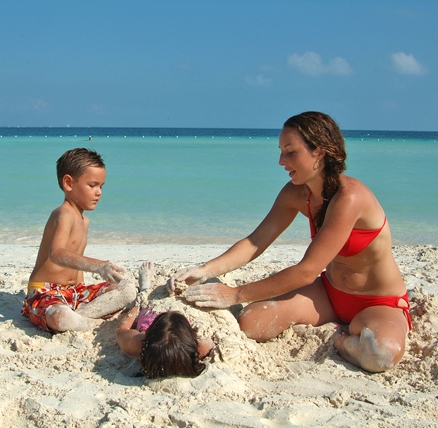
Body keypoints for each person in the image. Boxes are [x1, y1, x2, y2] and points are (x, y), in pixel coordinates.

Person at [169, 111, 411, 373]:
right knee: (251, 322)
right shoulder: (295, 193)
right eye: (281, 151)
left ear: (319, 152)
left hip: (376, 302)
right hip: (329, 295)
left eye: (290, 152)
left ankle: (340, 340)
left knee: (380, 355)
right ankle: (347, 335)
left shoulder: (350, 198)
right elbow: (255, 242)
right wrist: (206, 270)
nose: (281, 161)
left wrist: (235, 294)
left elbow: (306, 271)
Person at [22, 148, 137, 332]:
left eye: (101, 186)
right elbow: (57, 254)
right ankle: (90, 323)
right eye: (92, 185)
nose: (98, 192)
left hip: (75, 292)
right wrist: (98, 266)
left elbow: (75, 264)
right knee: (60, 317)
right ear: (68, 183)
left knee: (127, 289)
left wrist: (87, 290)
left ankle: (82, 315)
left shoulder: (85, 221)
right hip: (46, 292)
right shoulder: (64, 213)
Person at [116, 262, 214, 378]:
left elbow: (121, 329)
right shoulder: (198, 350)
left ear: (148, 336)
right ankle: (147, 290)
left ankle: (144, 291)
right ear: (191, 335)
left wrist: (137, 305)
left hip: (152, 313)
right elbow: (210, 342)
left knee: (145, 305)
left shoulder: (138, 344)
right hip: (183, 313)